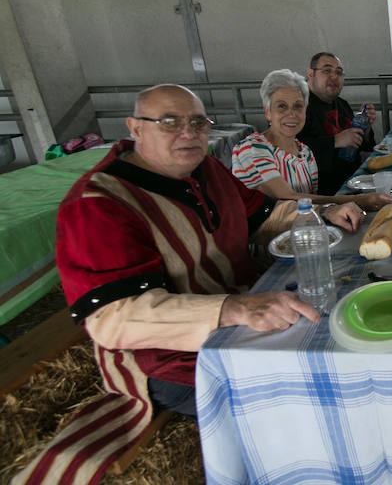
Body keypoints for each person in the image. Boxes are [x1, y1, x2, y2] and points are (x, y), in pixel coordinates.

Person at [16, 84, 368, 484]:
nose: (188, 133)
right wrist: (232, 309)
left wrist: (324, 214)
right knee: (316, 395)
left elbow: (262, 215)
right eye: (169, 122)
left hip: (244, 316)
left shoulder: (205, 169)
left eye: (198, 123)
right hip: (173, 360)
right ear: (135, 128)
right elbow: (112, 317)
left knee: (346, 338)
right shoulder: (99, 204)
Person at [232, 69, 391, 211]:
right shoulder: (252, 148)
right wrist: (356, 201)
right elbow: (288, 198)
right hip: (270, 240)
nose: (292, 114)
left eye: (298, 106)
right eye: (282, 106)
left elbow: (311, 206)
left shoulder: (305, 152)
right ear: (267, 112)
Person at [299, 52, 377, 195]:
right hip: (326, 191)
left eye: (339, 72)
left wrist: (365, 128)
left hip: (355, 179)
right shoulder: (299, 107)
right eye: (327, 70)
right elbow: (293, 150)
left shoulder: (342, 104)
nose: (334, 76)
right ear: (311, 74)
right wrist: (334, 141)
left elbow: (364, 147)